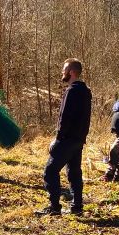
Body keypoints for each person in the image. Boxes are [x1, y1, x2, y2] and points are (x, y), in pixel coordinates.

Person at [38, 58, 91, 216]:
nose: (62, 72)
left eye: (65, 69)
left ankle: (54, 207)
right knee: (74, 172)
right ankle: (77, 207)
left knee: (50, 171)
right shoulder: (86, 92)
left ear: (72, 72)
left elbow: (64, 117)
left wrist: (58, 138)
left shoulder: (72, 91)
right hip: (78, 140)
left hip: (67, 139)